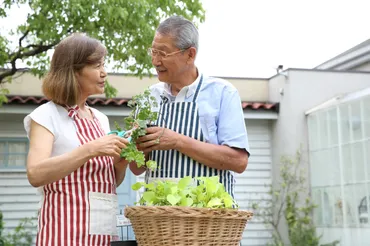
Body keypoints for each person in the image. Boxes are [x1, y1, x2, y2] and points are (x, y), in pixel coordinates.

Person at [24, 33, 129, 246]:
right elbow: (35, 174)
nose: (104, 73)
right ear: (74, 70)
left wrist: (120, 164)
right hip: (63, 234)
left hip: (102, 234)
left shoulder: (100, 119)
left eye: (104, 65)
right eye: (97, 66)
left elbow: (109, 183)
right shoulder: (47, 116)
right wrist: (91, 149)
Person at [129, 16, 250, 197]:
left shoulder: (222, 93)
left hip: (208, 215)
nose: (155, 61)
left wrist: (177, 141)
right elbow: (136, 168)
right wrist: (137, 147)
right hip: (159, 216)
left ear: (190, 55)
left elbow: (239, 161)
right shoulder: (148, 98)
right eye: (153, 52)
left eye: (163, 53)